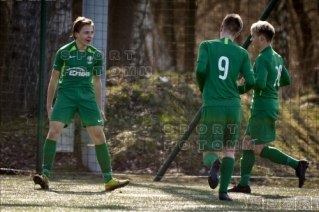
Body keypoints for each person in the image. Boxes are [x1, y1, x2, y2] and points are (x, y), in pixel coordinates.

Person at [33, 17, 129, 191]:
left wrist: (100, 107)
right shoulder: (63, 52)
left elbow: (97, 81)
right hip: (66, 96)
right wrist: (49, 105)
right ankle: (45, 176)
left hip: (87, 98)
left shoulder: (96, 55)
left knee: (99, 136)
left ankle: (108, 180)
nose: (90, 35)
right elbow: (54, 80)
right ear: (76, 34)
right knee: (54, 131)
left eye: (92, 32)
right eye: (86, 32)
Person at [228, 21, 308, 194]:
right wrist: (269, 83)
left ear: (262, 38)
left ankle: (298, 164)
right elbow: (286, 80)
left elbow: (261, 84)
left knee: (257, 148)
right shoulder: (277, 57)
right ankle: (243, 184)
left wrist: (242, 86)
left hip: (263, 107)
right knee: (247, 143)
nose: (251, 39)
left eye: (253, 36)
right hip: (269, 105)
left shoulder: (262, 58)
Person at [196, 14, 255, 201]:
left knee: (209, 150)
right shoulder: (243, 54)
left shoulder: (206, 45)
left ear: (221, 27)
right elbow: (252, 81)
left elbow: (200, 70)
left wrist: (203, 88)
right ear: (237, 34)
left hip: (213, 105)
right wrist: (239, 88)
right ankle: (223, 192)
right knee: (229, 150)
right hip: (234, 107)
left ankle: (214, 163)